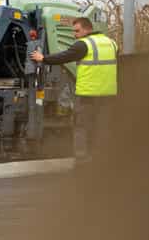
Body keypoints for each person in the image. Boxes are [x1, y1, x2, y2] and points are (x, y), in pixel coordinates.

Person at [32, 13, 118, 161]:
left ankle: (82, 159)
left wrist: (43, 58)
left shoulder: (84, 44)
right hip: (108, 95)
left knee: (81, 127)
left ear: (87, 29)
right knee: (102, 128)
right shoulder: (111, 43)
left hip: (88, 96)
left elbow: (64, 57)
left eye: (77, 31)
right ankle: (103, 159)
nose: (75, 34)